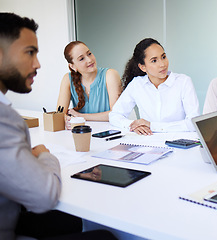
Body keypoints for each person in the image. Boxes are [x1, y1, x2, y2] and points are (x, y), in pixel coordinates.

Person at [0, 13, 117, 240]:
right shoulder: (6, 119)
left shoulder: (108, 75)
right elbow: (45, 195)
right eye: (29, 53)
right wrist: (45, 155)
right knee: (105, 236)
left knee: (72, 218)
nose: (38, 64)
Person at [109, 38, 200, 135]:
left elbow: (193, 123)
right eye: (154, 61)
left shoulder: (183, 82)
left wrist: (152, 126)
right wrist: (133, 125)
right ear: (143, 67)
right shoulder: (137, 84)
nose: (162, 64)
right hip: (148, 142)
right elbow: (114, 115)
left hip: (179, 143)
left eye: (163, 57)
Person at [57, 41, 121, 129]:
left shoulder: (110, 75)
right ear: (72, 66)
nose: (89, 60)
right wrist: (66, 119)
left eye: (89, 54)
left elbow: (117, 114)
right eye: (81, 59)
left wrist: (81, 116)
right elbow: (60, 114)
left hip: (109, 132)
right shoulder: (67, 79)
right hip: (81, 133)